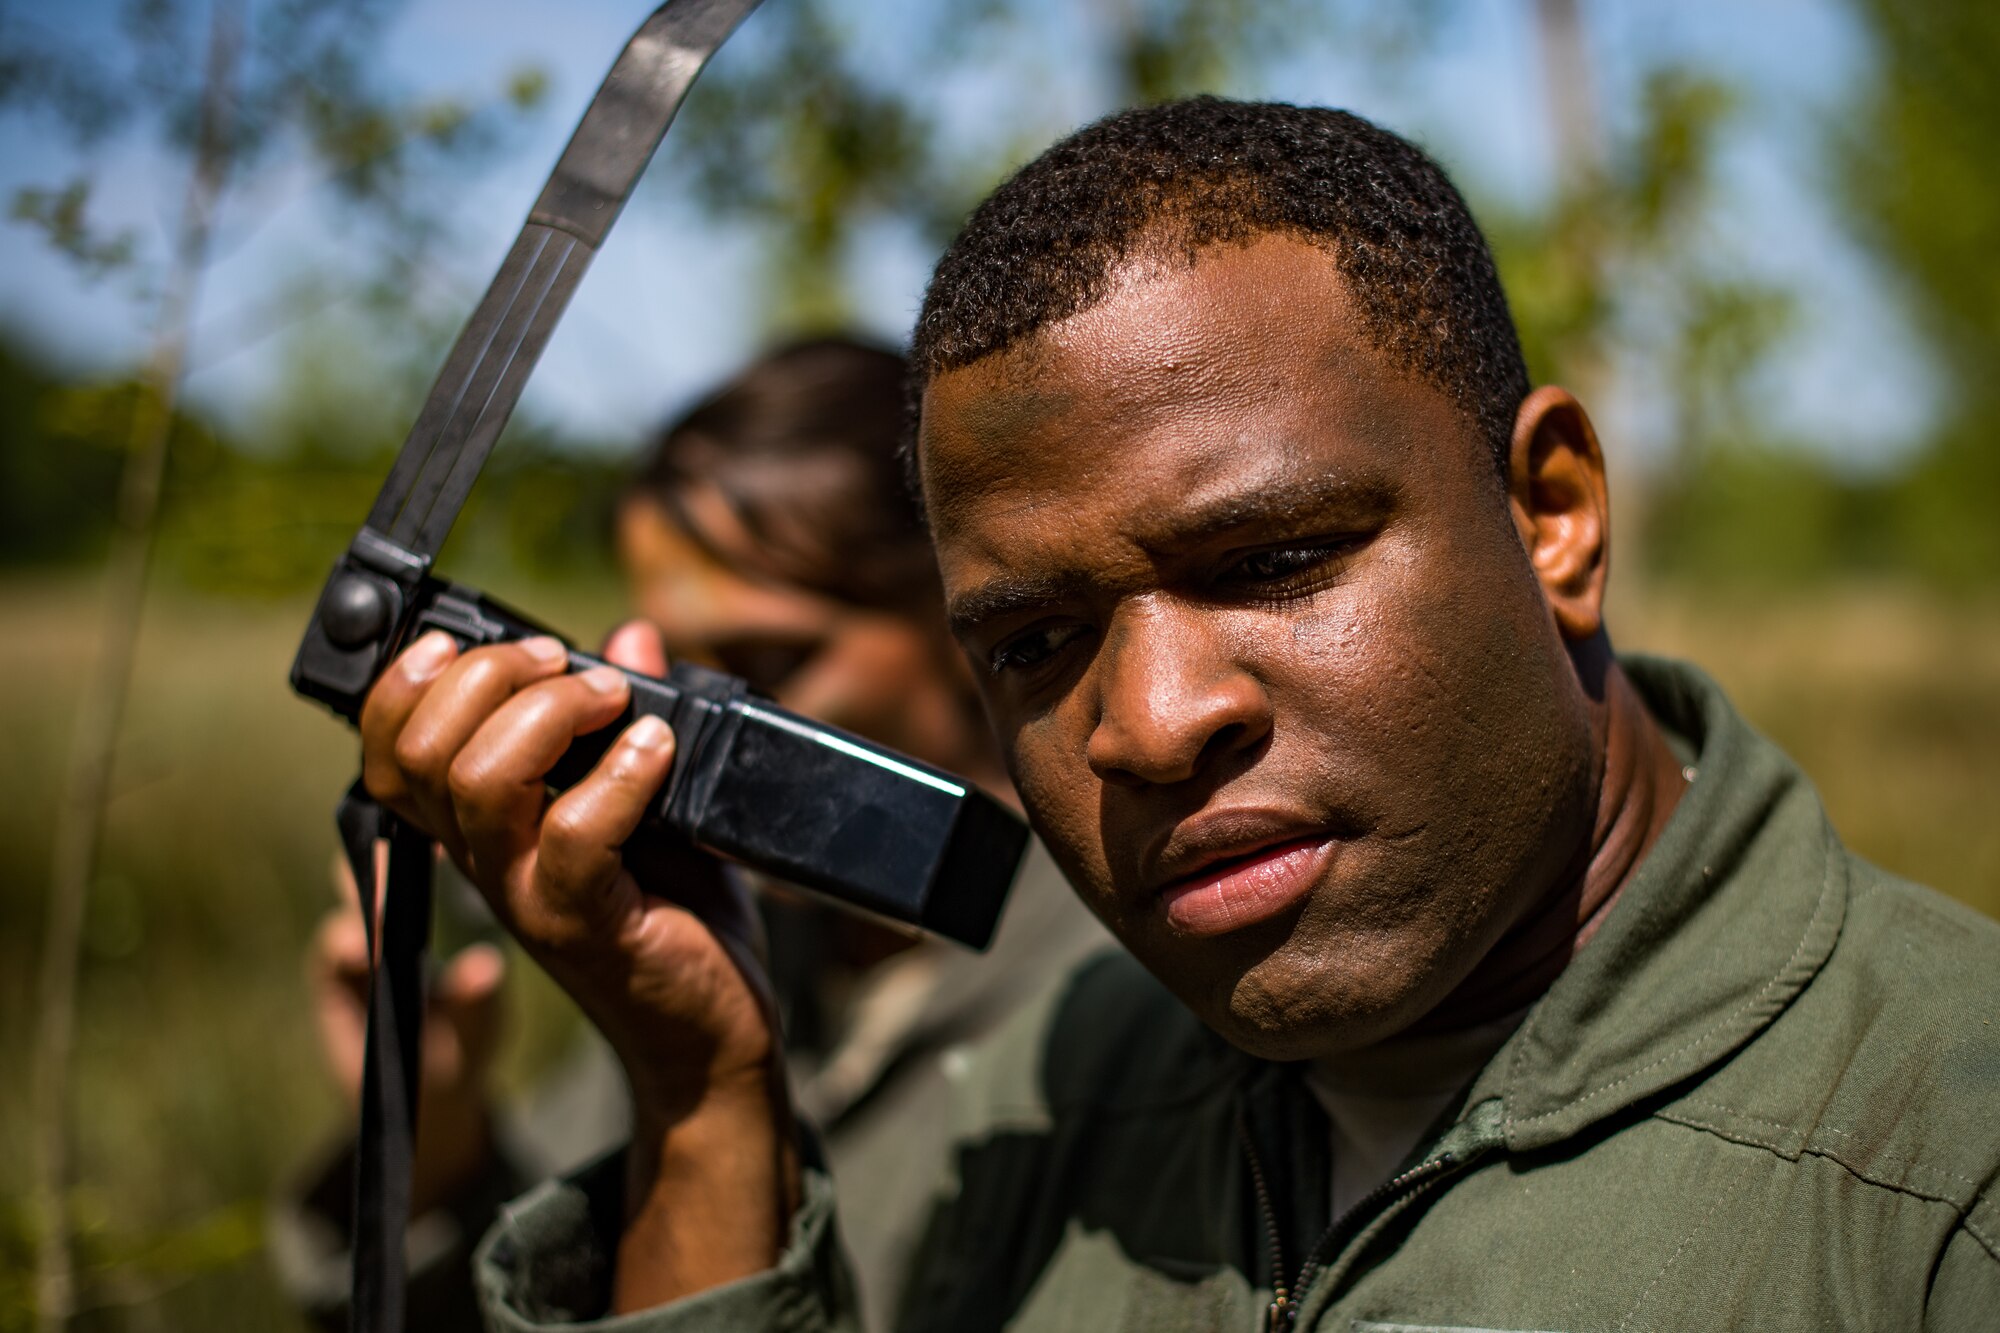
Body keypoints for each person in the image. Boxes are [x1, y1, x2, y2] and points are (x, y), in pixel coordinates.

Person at [352, 98, 2000, 1331]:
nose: (1145, 722)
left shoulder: (1937, 1172)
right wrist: (702, 1089)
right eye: (1037, 639)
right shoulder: (1072, 1081)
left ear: (1553, 512)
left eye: (1275, 558)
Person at [267, 337, 1108, 1332]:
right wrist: (434, 1138)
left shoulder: (1130, 987)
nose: (675, 738)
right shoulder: (720, 941)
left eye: (765, 661)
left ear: (965, 616)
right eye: (665, 673)